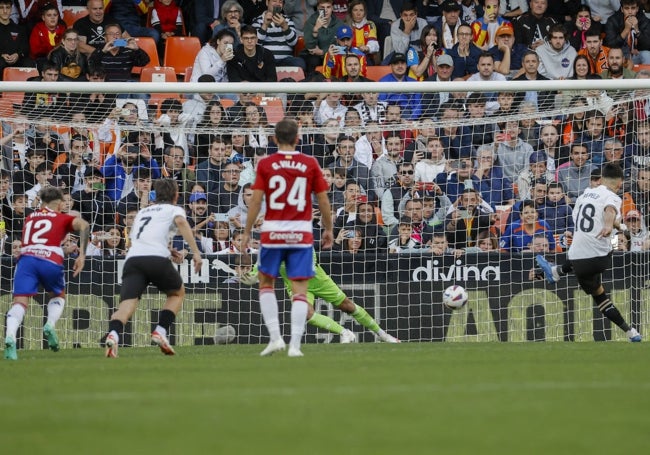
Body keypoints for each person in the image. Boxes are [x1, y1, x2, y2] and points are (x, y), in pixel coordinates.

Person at [241, 118, 334, 357]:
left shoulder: (266, 164)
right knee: (300, 289)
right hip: (301, 233)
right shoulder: (309, 162)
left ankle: (275, 338)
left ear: (274, 139)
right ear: (298, 138)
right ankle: (295, 345)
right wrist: (328, 229)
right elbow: (323, 200)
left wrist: (247, 231)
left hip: (272, 233)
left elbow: (256, 200)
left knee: (266, 283)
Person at [536, 162, 642, 342]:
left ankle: (555, 272)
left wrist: (617, 225)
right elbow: (609, 210)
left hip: (577, 257)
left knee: (600, 297)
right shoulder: (612, 196)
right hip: (600, 257)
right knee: (601, 293)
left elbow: (588, 217)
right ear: (619, 183)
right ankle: (631, 332)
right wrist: (610, 226)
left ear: (600, 179)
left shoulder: (585, 194)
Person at [104, 179, 203, 358]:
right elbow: (181, 221)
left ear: (156, 195)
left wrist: (169, 249)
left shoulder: (143, 212)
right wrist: (195, 252)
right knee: (177, 293)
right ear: (176, 195)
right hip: (156, 259)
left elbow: (142, 238)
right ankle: (160, 331)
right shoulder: (175, 209)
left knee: (127, 304)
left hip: (133, 259)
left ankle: (113, 334)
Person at [4, 186, 90, 360]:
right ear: (59, 205)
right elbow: (85, 225)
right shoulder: (62, 217)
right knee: (58, 295)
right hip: (50, 259)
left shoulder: (29, 217)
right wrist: (82, 254)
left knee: (20, 302)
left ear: (42, 202)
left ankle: (10, 335)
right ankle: (50, 324)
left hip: (26, 259)